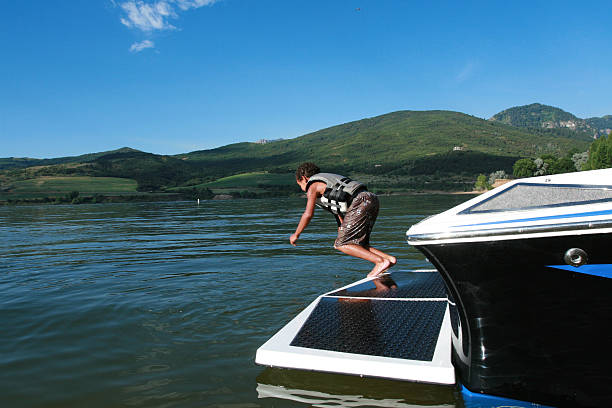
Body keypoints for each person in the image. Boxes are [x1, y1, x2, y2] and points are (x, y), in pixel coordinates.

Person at [289, 162, 396, 277]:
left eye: (299, 184)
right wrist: (341, 227)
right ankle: (388, 259)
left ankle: (380, 262)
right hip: (370, 199)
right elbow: (337, 208)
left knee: (342, 244)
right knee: (356, 243)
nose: (302, 189)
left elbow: (308, 214)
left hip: (360, 201)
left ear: (304, 178)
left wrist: (296, 234)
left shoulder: (312, 186)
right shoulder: (326, 181)